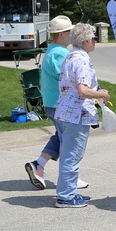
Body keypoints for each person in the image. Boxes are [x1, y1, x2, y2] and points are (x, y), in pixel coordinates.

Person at [53, 23, 110, 208]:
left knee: (67, 154)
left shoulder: (70, 56)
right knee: (72, 155)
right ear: (85, 41)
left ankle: (68, 192)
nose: (95, 41)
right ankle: (66, 196)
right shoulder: (82, 60)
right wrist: (101, 94)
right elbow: (82, 90)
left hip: (64, 112)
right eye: (94, 38)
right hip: (76, 115)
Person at [25, 15, 76, 190]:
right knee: (70, 140)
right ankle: (68, 178)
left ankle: (39, 164)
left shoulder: (52, 50)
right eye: (70, 31)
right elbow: (71, 77)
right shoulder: (60, 53)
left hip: (52, 102)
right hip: (60, 104)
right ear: (62, 34)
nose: (73, 34)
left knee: (62, 137)